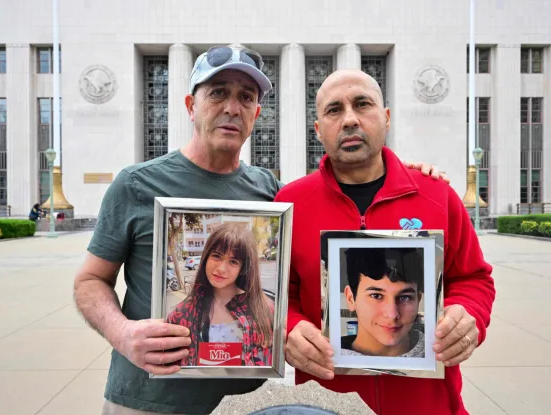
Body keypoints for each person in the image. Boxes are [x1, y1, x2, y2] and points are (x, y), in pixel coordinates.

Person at [73, 44, 449, 415]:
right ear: (191, 106)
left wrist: (401, 172)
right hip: (148, 401)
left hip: (243, 398)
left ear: (256, 113)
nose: (231, 107)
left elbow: (299, 285)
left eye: (245, 97)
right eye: (218, 93)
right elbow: (89, 281)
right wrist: (122, 334)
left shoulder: (269, 192)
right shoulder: (136, 185)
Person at [273, 69, 496, 414]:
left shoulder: (437, 195)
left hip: (428, 405)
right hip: (327, 405)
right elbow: (272, 294)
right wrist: (289, 328)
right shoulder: (290, 204)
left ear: (386, 118)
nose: (349, 119)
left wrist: (469, 315)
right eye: (334, 110)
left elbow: (473, 279)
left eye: (362, 104)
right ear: (318, 130)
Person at [166, 222, 274, 367]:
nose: (221, 269)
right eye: (216, 256)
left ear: (243, 268)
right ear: (205, 258)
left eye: (233, 261)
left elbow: (268, 363)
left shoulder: (265, 311)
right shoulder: (182, 313)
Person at [339, 247, 424, 358]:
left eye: (405, 297)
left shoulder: (440, 357)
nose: (392, 315)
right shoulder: (326, 360)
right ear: (350, 298)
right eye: (376, 296)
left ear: (418, 300)